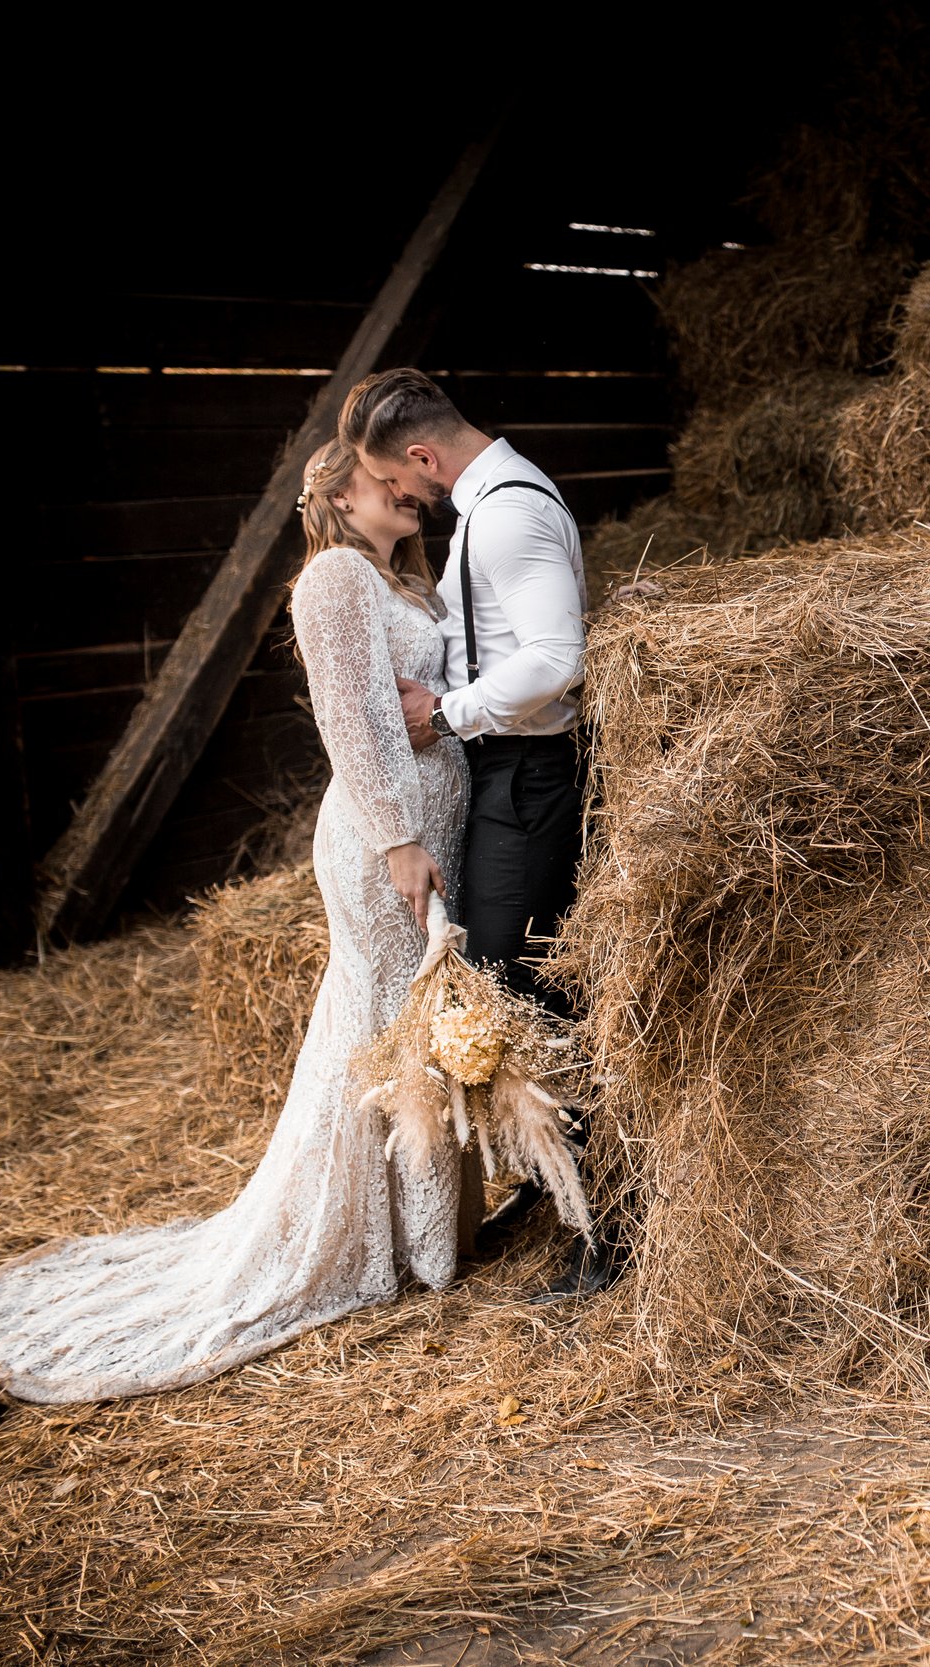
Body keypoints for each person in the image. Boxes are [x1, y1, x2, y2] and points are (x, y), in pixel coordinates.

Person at [0, 441, 472, 1402]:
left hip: (432, 820)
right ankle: (383, 1243)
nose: (411, 490)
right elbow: (349, 722)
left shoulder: (403, 583)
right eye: (386, 480)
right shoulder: (333, 580)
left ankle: (425, 1230)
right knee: (386, 1023)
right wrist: (399, 838)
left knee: (420, 1015)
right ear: (338, 494)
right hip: (384, 839)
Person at [339, 369, 614, 1300]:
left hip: (529, 775)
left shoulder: (506, 515)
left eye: (396, 478)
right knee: (512, 984)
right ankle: (559, 1186)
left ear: (423, 455)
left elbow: (555, 657)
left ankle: (610, 1221)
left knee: (521, 993)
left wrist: (446, 714)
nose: (401, 495)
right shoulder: (492, 503)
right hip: (507, 772)